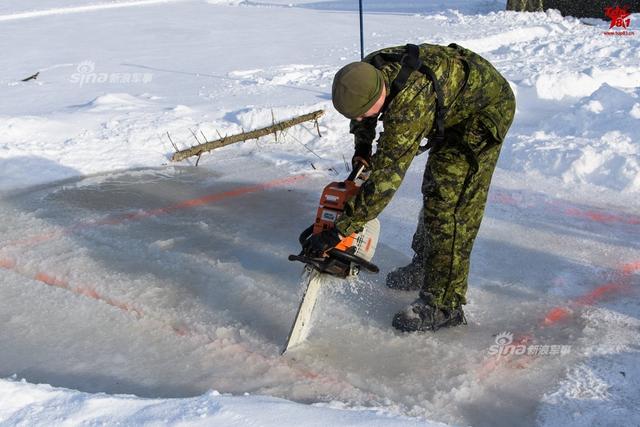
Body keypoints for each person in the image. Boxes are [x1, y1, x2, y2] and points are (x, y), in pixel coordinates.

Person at [308, 42, 515, 333]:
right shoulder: (365, 71)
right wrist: (363, 148)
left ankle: (445, 304)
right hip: (448, 101)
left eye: (364, 113)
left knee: (450, 207)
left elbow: (386, 178)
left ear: (380, 92)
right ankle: (426, 265)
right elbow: (363, 118)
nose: (359, 119)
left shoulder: (409, 104)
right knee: (434, 190)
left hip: (481, 114)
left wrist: (340, 229)